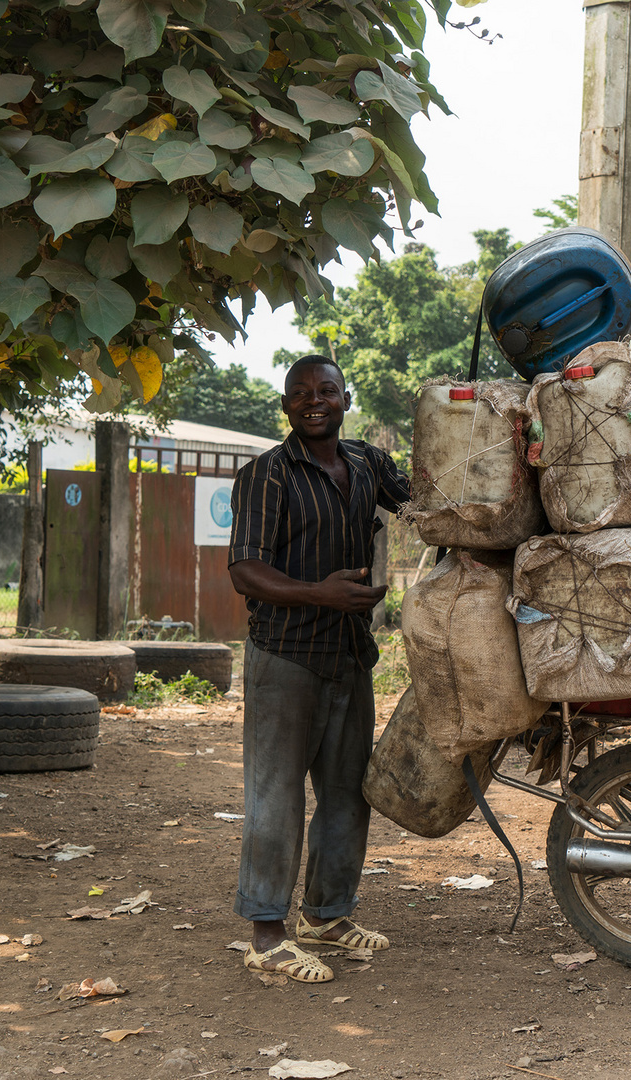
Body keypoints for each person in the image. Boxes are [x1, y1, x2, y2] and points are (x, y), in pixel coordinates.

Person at [226, 354, 410, 984]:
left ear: (344, 398)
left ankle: (327, 914)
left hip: (350, 655)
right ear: (286, 405)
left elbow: (422, 503)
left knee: (346, 792)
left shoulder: (365, 464)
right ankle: (267, 935)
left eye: (325, 391)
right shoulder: (265, 476)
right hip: (285, 656)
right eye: (300, 393)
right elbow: (244, 571)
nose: (314, 401)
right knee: (274, 797)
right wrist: (320, 592)